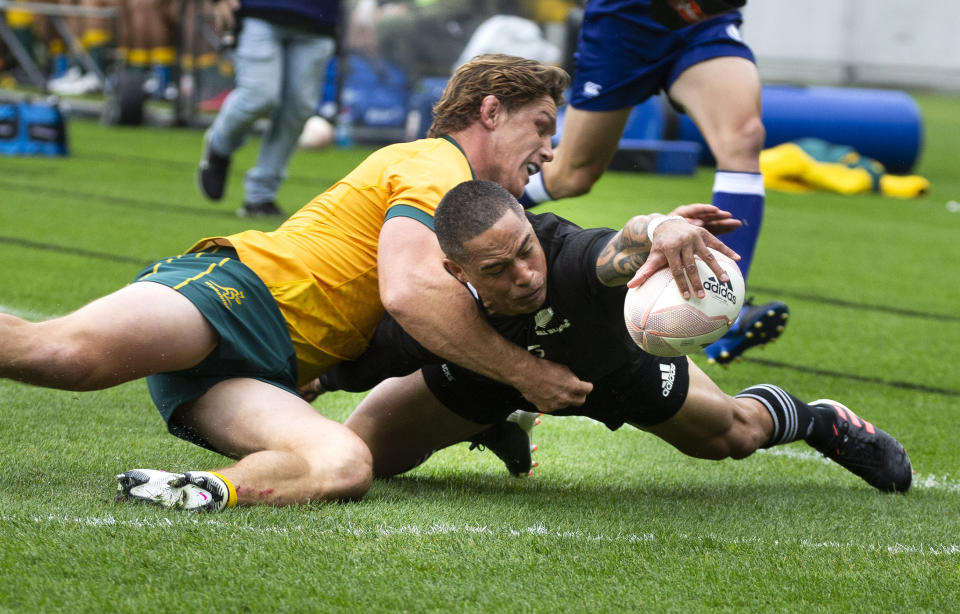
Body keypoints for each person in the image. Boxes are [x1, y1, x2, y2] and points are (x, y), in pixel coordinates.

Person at [0, 54, 619, 512]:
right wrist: (523, 374)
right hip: (241, 298)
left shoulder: (465, 210)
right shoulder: (440, 166)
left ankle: (201, 490)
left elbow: (417, 326)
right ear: (490, 112)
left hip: (257, 370)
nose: (549, 147)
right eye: (541, 126)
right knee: (61, 357)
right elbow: (409, 294)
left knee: (344, 465)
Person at [320, 179, 913, 494]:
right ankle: (496, 419)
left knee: (734, 436)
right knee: (360, 459)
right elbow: (335, 367)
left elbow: (621, 245)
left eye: (526, 250)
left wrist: (661, 227)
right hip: (485, 378)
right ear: (458, 273)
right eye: (498, 270)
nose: (526, 275)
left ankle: (820, 421)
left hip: (615, 372)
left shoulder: (571, 258)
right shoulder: (436, 313)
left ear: (530, 228)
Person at [519, 0, 788, 365]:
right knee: (573, 174)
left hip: (701, 22)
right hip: (626, 20)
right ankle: (467, 209)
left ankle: (728, 308)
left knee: (744, 137)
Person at [195, 0, 338, 217]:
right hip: (259, 10)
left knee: (298, 109)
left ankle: (260, 198)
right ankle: (219, 145)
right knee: (258, 96)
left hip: (318, 19)